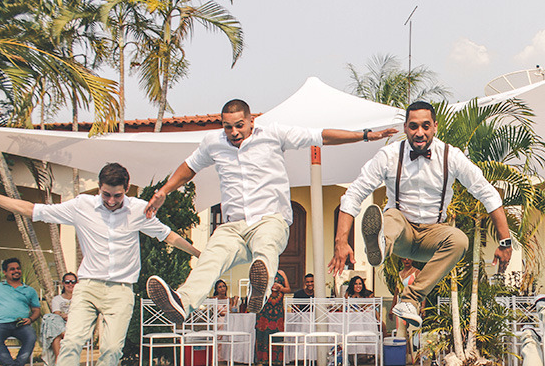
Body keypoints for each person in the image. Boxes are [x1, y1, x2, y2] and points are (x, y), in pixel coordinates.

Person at [0, 164, 199, 366]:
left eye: (117, 196)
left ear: (126, 190)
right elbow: (31, 210)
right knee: (71, 342)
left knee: (111, 349)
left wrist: (202, 256)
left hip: (121, 290)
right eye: (106, 195)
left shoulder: (138, 209)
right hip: (87, 287)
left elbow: (168, 235)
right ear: (99, 189)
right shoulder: (81, 205)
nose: (111, 201)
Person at [145, 98, 396, 325]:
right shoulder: (213, 143)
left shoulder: (274, 133)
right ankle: (182, 302)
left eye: (239, 125)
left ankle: (260, 292)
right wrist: (165, 190)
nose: (233, 133)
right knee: (211, 257)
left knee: (265, 246)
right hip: (233, 226)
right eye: (227, 127)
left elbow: (321, 136)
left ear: (251, 121)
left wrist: (364, 135)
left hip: (270, 219)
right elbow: (189, 167)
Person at [329, 100, 512, 328]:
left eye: (425, 126)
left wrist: (505, 241)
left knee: (459, 239)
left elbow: (487, 193)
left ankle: (411, 300)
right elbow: (354, 193)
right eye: (414, 126)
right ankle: (380, 244)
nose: (420, 133)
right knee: (392, 217)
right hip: (401, 232)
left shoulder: (450, 156)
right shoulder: (389, 156)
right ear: (405, 127)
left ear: (435, 126)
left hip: (433, 236)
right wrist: (340, 240)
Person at [0, 257, 40, 366]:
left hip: (21, 324)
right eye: (12, 269)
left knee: (30, 336)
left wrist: (30, 320)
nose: (16, 271)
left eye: (18, 268)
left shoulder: (29, 290)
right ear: (5, 272)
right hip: (1, 324)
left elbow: (36, 310)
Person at [40, 272, 77, 366]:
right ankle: (59, 363)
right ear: (63, 284)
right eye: (67, 282)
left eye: (73, 282)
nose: (70, 284)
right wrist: (67, 315)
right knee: (51, 320)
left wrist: (65, 315)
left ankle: (57, 363)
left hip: (75, 326)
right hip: (61, 325)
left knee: (54, 332)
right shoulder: (57, 299)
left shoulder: (80, 298)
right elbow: (56, 315)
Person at [255, 269, 290, 366]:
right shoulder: (261, 272)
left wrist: (281, 288)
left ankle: (277, 360)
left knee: (277, 333)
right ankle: (262, 360)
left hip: (278, 310)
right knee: (263, 332)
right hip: (264, 309)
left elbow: (288, 289)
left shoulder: (281, 273)